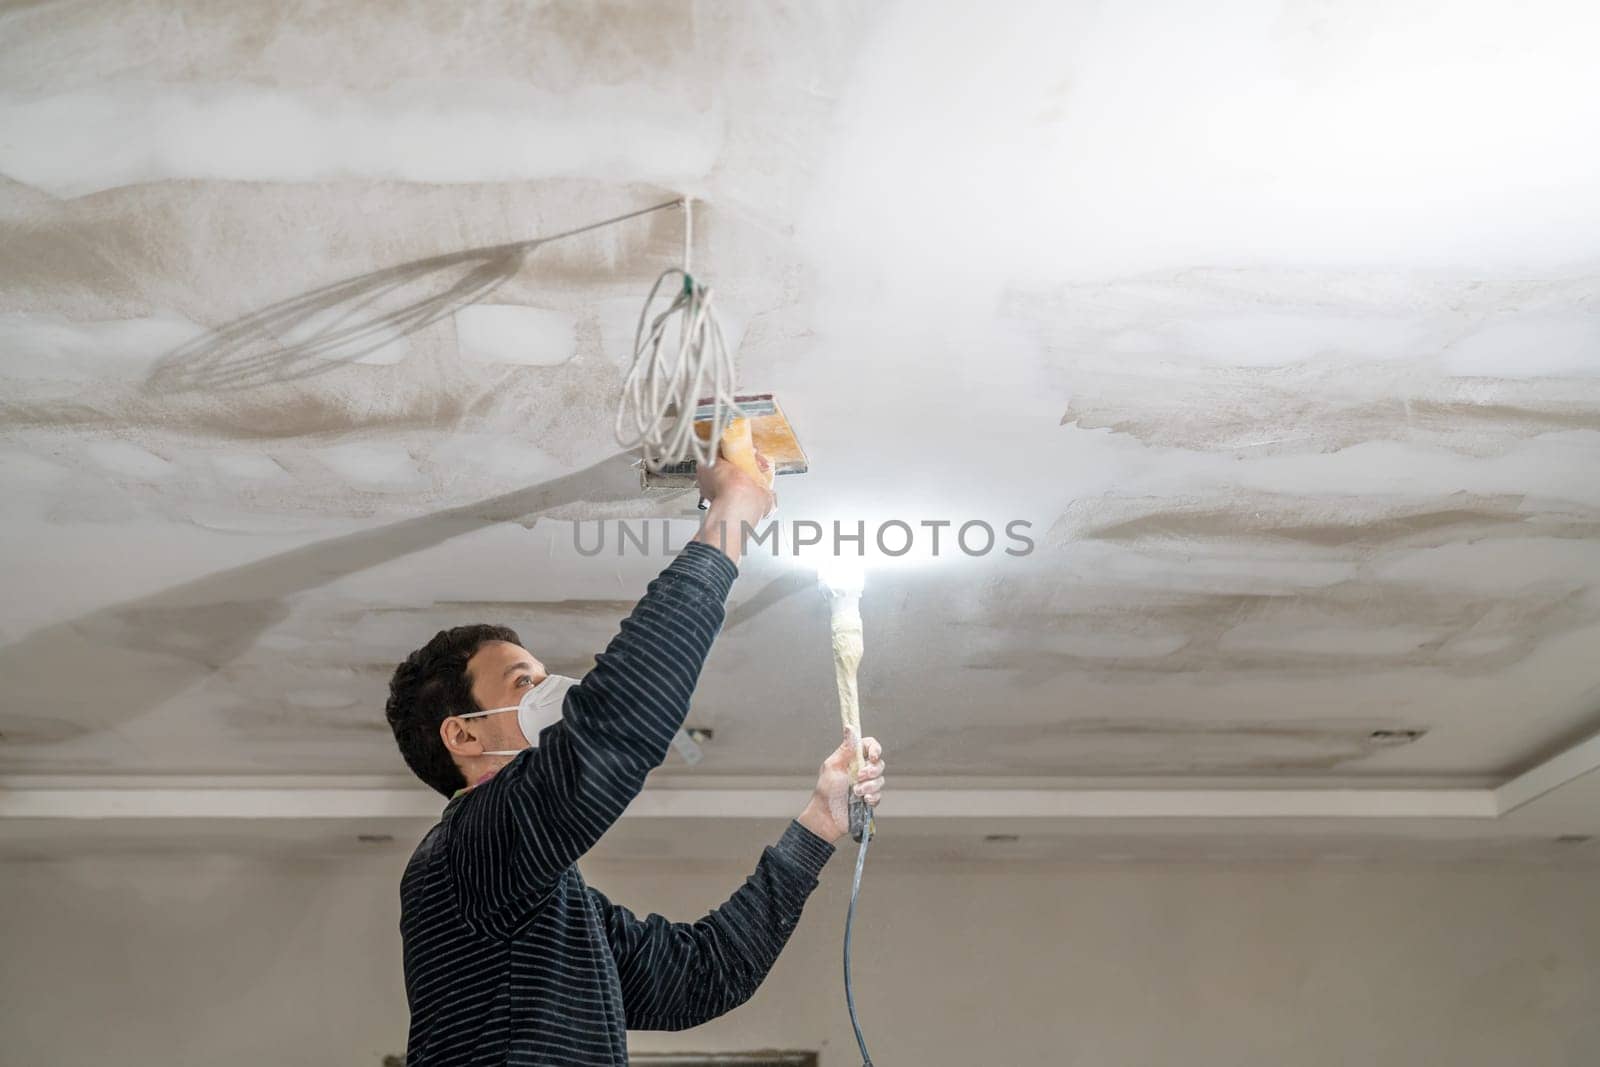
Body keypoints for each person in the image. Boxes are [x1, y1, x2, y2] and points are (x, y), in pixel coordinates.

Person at [384, 444, 888, 1066]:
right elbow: (618, 722)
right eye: (523, 683)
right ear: (462, 735)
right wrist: (729, 517)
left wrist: (821, 821)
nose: (549, 691)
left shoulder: (538, 895)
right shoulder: (466, 854)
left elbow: (706, 974)